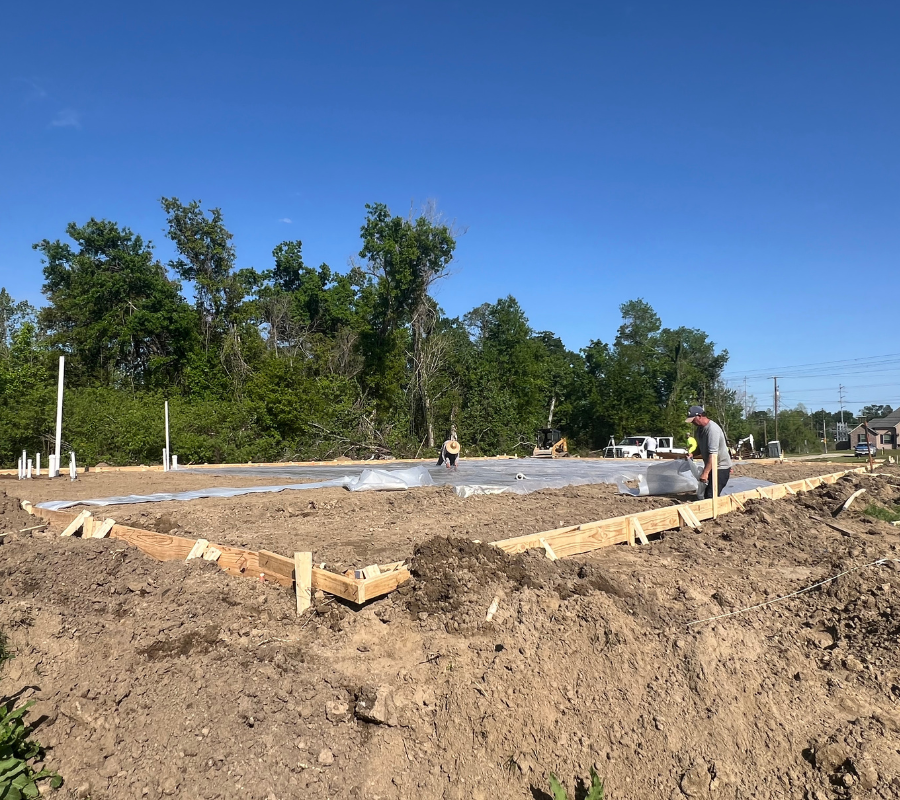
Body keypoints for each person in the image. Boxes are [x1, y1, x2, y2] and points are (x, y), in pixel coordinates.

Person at [685, 405, 732, 498]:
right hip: (711, 466)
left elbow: (713, 455)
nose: (692, 423)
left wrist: (705, 473)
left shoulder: (712, 430)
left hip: (720, 467)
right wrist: (692, 454)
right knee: (707, 494)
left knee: (711, 495)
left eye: (693, 420)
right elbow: (700, 447)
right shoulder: (699, 429)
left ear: (700, 416)